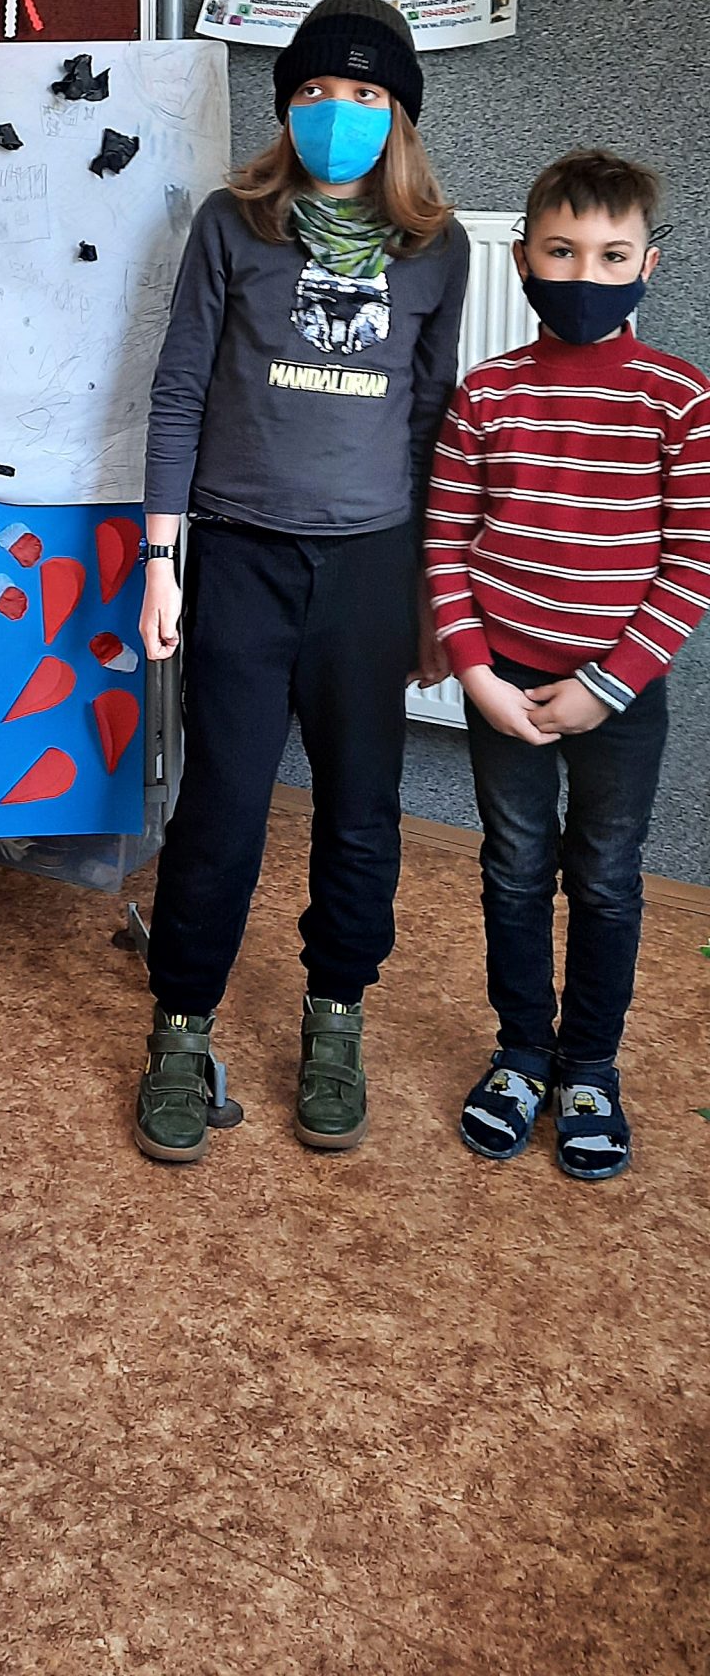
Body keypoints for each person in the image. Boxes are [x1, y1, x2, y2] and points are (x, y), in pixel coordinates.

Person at [136, 0, 468, 1163]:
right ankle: (182, 1021)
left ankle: (337, 1013)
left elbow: (432, 421)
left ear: (398, 113)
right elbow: (180, 391)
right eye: (317, 89)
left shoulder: (437, 248)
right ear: (287, 105)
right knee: (222, 806)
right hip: (239, 553)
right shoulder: (234, 225)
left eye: (365, 92)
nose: (337, 109)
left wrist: (434, 591)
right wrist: (161, 559)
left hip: (371, 564)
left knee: (362, 808)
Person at [425, 151, 710, 1182]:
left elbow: (692, 560)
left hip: (619, 695)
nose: (585, 274)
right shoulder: (486, 393)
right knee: (512, 867)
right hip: (501, 682)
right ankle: (522, 1052)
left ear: (648, 265)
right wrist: (474, 674)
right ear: (523, 259)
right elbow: (446, 541)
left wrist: (606, 685)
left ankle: (589, 1066)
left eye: (611, 255)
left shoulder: (680, 398)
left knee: (605, 875)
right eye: (562, 251)